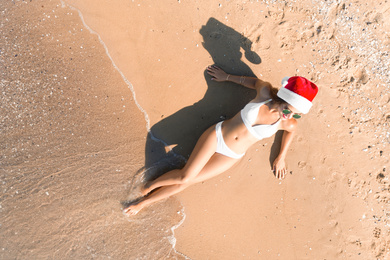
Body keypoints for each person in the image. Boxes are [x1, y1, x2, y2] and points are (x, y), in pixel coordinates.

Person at [124, 65, 318, 215]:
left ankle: (143, 203)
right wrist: (226, 77)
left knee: (187, 182)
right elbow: (253, 82)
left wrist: (281, 157)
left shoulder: (288, 123)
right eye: (288, 110)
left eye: (297, 114)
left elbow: (290, 132)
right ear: (284, 99)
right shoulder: (265, 93)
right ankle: (147, 187)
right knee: (185, 176)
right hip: (217, 135)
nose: (289, 116)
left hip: (231, 155)